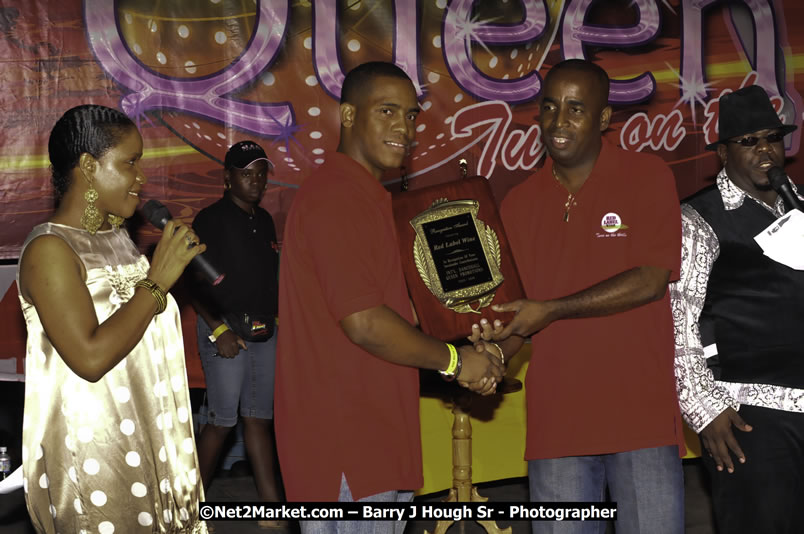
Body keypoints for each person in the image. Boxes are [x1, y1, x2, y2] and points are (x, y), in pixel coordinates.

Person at [275, 61, 504, 533]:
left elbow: (397, 310)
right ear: (348, 115)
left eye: (411, 115)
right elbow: (364, 321)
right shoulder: (337, 196)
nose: (404, 127)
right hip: (348, 442)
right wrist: (456, 361)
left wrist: (463, 327)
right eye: (387, 111)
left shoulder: (372, 197)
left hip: (376, 430)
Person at [473, 59, 685, 534]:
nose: (558, 122)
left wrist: (552, 310)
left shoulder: (648, 176)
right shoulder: (518, 203)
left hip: (641, 419)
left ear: (605, 118)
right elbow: (519, 316)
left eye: (575, 109)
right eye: (550, 107)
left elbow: (650, 279)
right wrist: (488, 357)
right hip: (558, 426)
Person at [16, 105, 207, 533]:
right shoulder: (50, 250)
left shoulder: (118, 240)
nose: (141, 179)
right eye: (130, 163)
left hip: (154, 441)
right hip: (98, 458)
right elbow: (89, 357)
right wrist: (156, 282)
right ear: (88, 166)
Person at [671, 85, 804, 533]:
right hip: (751, 417)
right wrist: (704, 411)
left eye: (771, 138)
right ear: (723, 153)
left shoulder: (801, 205)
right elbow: (678, 322)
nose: (764, 150)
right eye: (748, 142)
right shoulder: (699, 218)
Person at [191, 140, 283, 505]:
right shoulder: (210, 220)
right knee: (222, 421)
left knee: (259, 419)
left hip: (262, 331)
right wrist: (218, 330)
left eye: (261, 173)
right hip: (224, 330)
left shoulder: (264, 220)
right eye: (247, 174)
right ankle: (188, 508)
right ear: (228, 178)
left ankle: (272, 507)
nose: (256, 180)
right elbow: (191, 282)